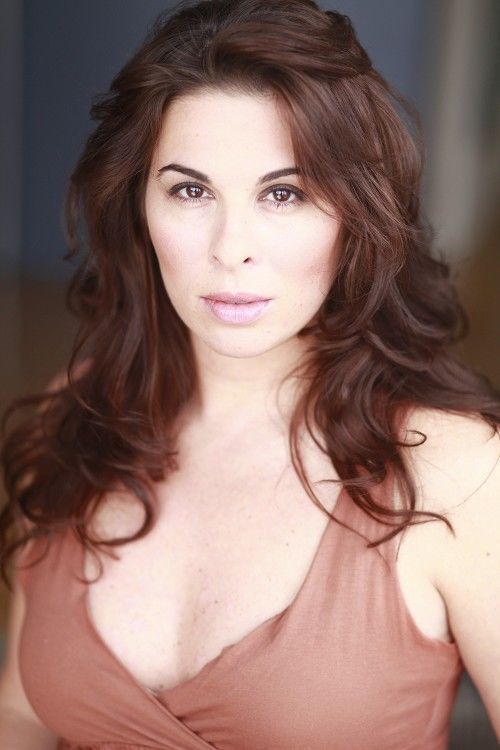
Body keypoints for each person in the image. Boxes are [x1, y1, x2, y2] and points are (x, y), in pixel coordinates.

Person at [1, 0, 499, 747]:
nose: (231, 247)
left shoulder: (456, 472)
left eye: (283, 193)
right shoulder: (70, 420)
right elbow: (20, 712)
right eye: (191, 190)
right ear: (138, 205)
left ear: (356, 215)